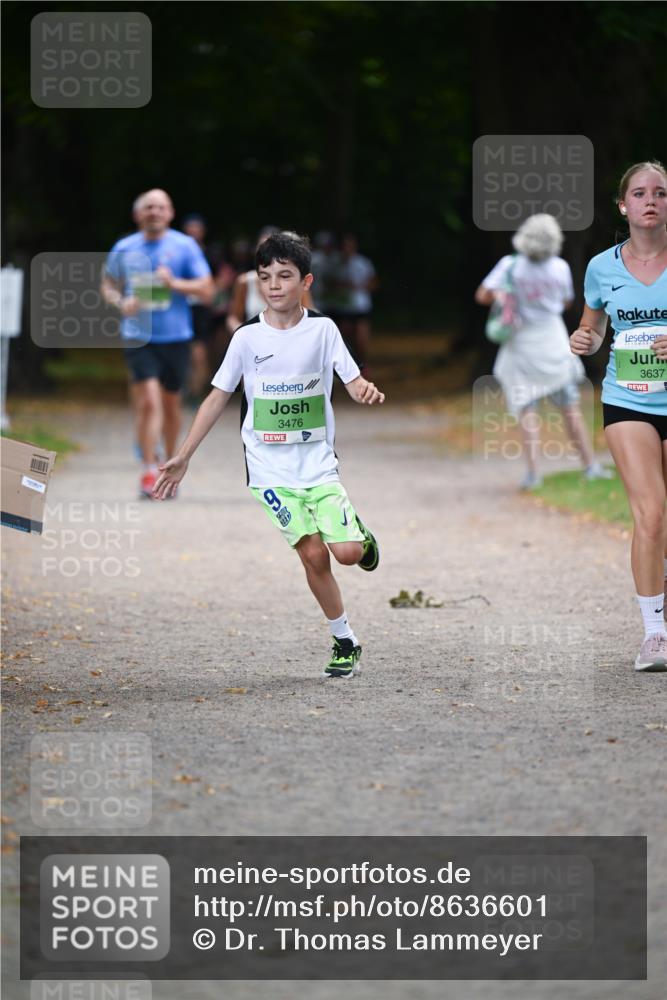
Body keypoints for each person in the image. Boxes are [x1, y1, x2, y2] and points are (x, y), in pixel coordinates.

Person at [153, 231, 385, 677]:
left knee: (349, 553)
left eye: (285, 276)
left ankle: (360, 533)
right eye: (266, 277)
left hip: (317, 464)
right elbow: (217, 398)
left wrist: (364, 390)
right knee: (313, 555)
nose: (275, 285)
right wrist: (183, 456)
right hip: (268, 470)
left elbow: (352, 381)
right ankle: (344, 639)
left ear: (306, 282)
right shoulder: (246, 339)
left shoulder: (324, 330)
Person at [570, 160, 667, 672]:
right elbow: (592, 330)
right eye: (640, 193)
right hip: (628, 399)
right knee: (651, 513)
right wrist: (582, 340)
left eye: (660, 192)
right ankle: (655, 635)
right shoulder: (601, 267)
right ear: (623, 205)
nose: (650, 200)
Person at [475, 213, 609, 489]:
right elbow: (567, 300)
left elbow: (482, 295)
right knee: (570, 408)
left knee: (527, 409)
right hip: (554, 342)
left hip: (522, 344)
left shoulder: (511, 265)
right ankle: (590, 465)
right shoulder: (559, 267)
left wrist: (504, 295)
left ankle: (533, 473)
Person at [102, 189, 213, 498]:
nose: (155, 212)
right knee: (149, 402)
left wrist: (173, 283)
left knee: (170, 405)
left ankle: (168, 464)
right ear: (138, 214)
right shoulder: (124, 247)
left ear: (170, 213)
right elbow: (108, 284)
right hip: (138, 336)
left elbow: (207, 290)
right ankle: (149, 470)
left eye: (161, 207)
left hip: (176, 337)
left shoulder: (185, 246)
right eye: (149, 207)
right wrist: (120, 301)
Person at [329, 234, 377, 376]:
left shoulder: (363, 263)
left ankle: (363, 364)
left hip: (361, 307)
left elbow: (374, 283)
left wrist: (360, 286)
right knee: (345, 338)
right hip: (342, 308)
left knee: (361, 339)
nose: (347, 249)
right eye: (345, 246)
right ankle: (347, 367)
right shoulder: (334, 263)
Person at [181, 213, 216, 401]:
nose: (194, 232)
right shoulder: (176, 251)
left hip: (200, 309)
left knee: (199, 353)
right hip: (180, 308)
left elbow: (221, 277)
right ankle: (185, 389)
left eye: (197, 228)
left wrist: (211, 294)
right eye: (190, 228)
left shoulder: (210, 253)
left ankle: (196, 392)